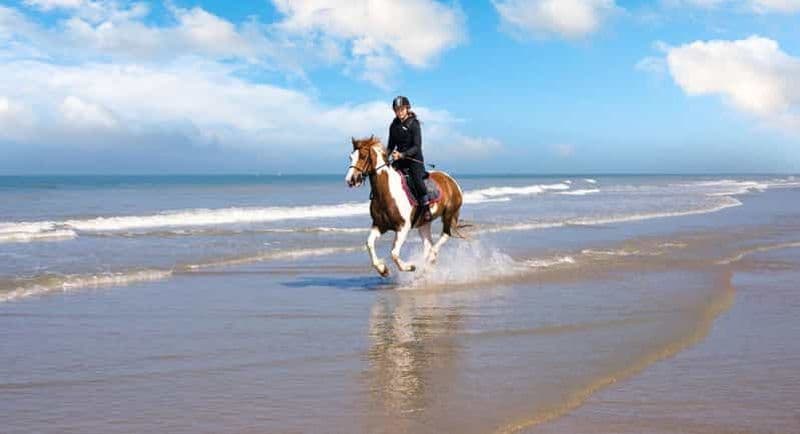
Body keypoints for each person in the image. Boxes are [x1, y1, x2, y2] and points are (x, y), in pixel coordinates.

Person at [387, 95, 431, 223]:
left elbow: (417, 146)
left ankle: (426, 208)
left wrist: (402, 154)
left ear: (407, 109)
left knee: (417, 181)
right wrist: (385, 157)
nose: (399, 112)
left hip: (414, 159)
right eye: (396, 110)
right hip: (399, 160)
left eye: (401, 109)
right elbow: (390, 146)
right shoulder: (393, 125)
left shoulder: (414, 124)